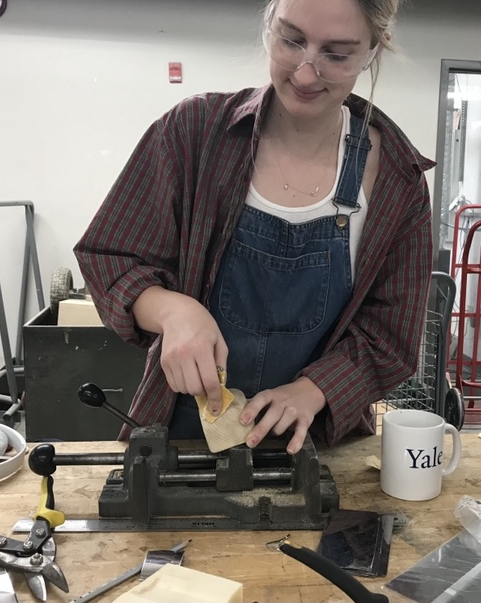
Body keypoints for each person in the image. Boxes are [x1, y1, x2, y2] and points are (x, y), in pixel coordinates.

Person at [74, 0, 435, 454]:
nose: (306, 74)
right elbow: (111, 258)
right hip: (181, 437)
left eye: (336, 54)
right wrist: (172, 311)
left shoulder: (396, 180)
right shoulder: (193, 133)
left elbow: (391, 335)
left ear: (373, 51)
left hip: (318, 445)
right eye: (292, 40)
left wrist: (315, 389)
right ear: (269, 25)